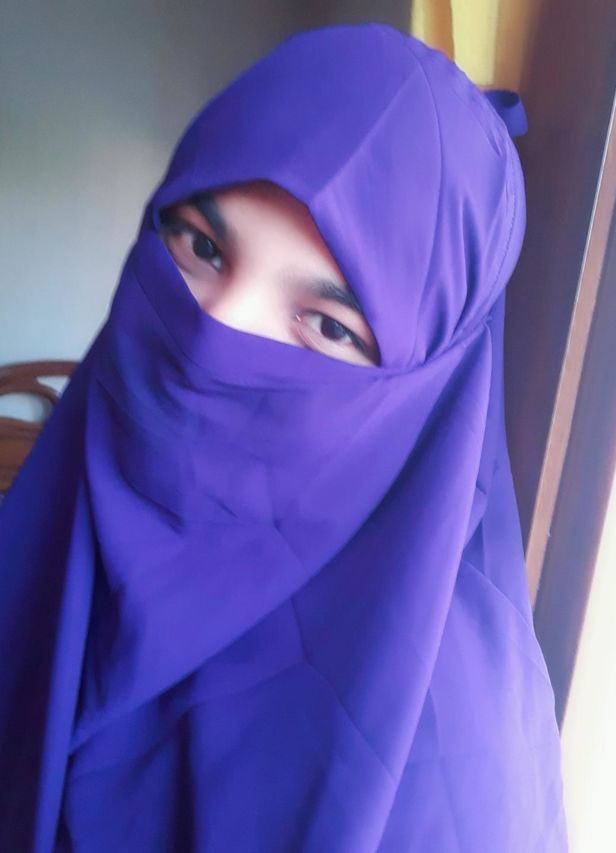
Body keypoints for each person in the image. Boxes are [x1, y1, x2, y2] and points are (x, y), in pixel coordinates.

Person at [0, 22, 569, 852]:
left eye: (330, 326)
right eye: (201, 246)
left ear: (425, 395)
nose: (211, 335)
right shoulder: (62, 507)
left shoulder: (457, 771)